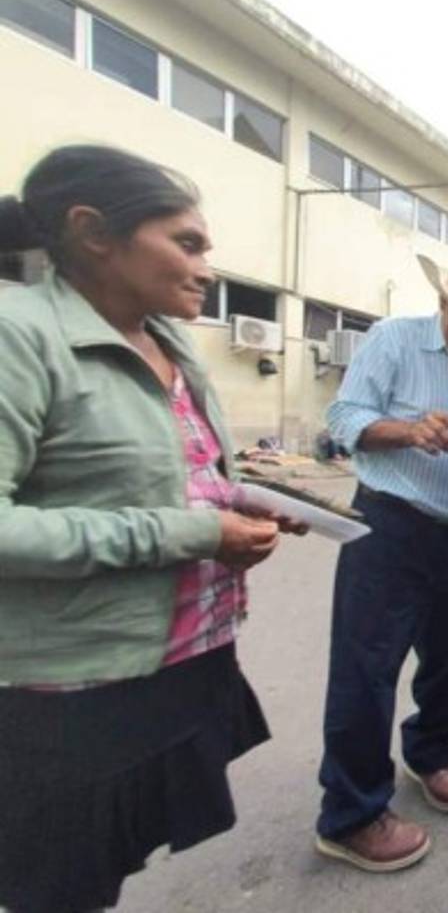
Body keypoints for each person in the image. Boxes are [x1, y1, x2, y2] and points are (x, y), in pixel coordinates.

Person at [0, 145, 293, 913]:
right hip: (73, 692)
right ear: (95, 232)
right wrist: (195, 534)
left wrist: (242, 505)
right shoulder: (17, 334)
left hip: (178, 663)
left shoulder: (168, 345)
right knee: (59, 886)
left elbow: (178, 474)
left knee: (111, 868)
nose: (206, 269)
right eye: (187, 243)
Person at [314, 249, 448, 872]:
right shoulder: (393, 340)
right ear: (445, 302)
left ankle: (430, 754)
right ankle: (349, 815)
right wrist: (410, 431)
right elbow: (343, 418)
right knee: (366, 667)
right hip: (388, 524)